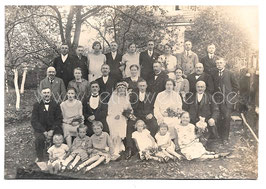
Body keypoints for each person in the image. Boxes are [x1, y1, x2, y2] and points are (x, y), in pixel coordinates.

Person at [31, 88, 63, 162]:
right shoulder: (37, 105)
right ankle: (40, 157)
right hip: (41, 129)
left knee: (58, 136)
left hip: (53, 128)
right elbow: (34, 121)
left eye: (48, 92)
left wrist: (52, 130)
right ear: (41, 94)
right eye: (44, 93)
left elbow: (58, 119)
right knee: (39, 139)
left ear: (51, 94)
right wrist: (43, 131)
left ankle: (57, 156)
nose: (46, 94)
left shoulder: (56, 104)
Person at [212, 58, 239, 144]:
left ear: (224, 64)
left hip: (227, 100)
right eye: (217, 63)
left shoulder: (230, 73)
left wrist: (231, 97)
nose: (219, 64)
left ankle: (225, 138)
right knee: (218, 117)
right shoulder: (214, 74)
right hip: (217, 99)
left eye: (221, 63)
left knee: (226, 118)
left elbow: (236, 87)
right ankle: (219, 136)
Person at [106, 81, 135, 159]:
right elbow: (110, 109)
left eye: (123, 88)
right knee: (114, 123)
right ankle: (113, 146)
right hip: (112, 116)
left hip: (122, 117)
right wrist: (116, 115)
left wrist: (129, 114)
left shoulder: (126, 98)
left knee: (121, 123)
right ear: (117, 90)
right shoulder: (113, 98)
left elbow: (129, 109)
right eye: (120, 88)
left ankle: (118, 145)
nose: (121, 89)